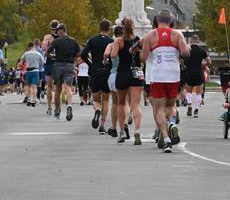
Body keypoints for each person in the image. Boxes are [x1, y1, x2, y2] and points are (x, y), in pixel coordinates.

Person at [140, 8, 190, 153]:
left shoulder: (150, 35)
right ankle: (172, 123)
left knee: (159, 108)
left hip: (158, 75)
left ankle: (166, 138)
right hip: (173, 74)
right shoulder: (177, 34)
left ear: (157, 20)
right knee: (171, 105)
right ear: (171, 21)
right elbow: (185, 52)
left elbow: (143, 57)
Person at [107, 17, 144, 145]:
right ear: (133, 27)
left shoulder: (119, 40)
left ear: (122, 27)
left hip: (122, 72)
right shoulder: (138, 40)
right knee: (136, 104)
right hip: (136, 72)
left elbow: (113, 55)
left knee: (121, 103)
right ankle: (137, 130)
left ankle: (122, 130)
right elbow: (143, 57)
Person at [81, 19, 114, 134]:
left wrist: (90, 63)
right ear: (109, 29)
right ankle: (102, 125)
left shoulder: (92, 40)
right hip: (107, 72)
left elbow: (83, 54)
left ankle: (97, 110)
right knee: (106, 99)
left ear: (100, 28)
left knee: (95, 99)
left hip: (95, 71)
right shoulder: (111, 41)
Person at [44, 23, 81, 121]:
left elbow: (46, 53)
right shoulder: (73, 41)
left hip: (58, 65)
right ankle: (69, 105)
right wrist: (73, 57)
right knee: (68, 87)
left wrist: (53, 56)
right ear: (66, 31)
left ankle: (57, 111)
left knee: (58, 89)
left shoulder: (56, 41)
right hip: (69, 65)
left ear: (60, 32)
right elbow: (79, 53)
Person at [184, 35, 210, 118]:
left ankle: (189, 105)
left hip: (189, 72)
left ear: (190, 41)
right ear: (198, 41)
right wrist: (203, 65)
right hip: (199, 72)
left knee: (188, 91)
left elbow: (181, 60)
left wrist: (185, 65)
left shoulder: (187, 50)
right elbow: (209, 61)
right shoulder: (202, 51)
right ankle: (196, 110)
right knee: (199, 92)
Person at [41, 20, 60, 115]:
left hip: (49, 62)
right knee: (57, 86)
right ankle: (57, 108)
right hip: (58, 62)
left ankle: (49, 107)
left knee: (49, 86)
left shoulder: (47, 37)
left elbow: (44, 48)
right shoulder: (62, 36)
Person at [20, 42, 45, 107]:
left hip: (28, 71)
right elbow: (43, 63)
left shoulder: (26, 53)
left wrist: (22, 66)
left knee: (28, 86)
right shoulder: (38, 54)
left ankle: (28, 100)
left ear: (28, 47)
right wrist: (38, 65)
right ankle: (33, 100)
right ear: (34, 46)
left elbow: (21, 62)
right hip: (35, 70)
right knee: (34, 86)